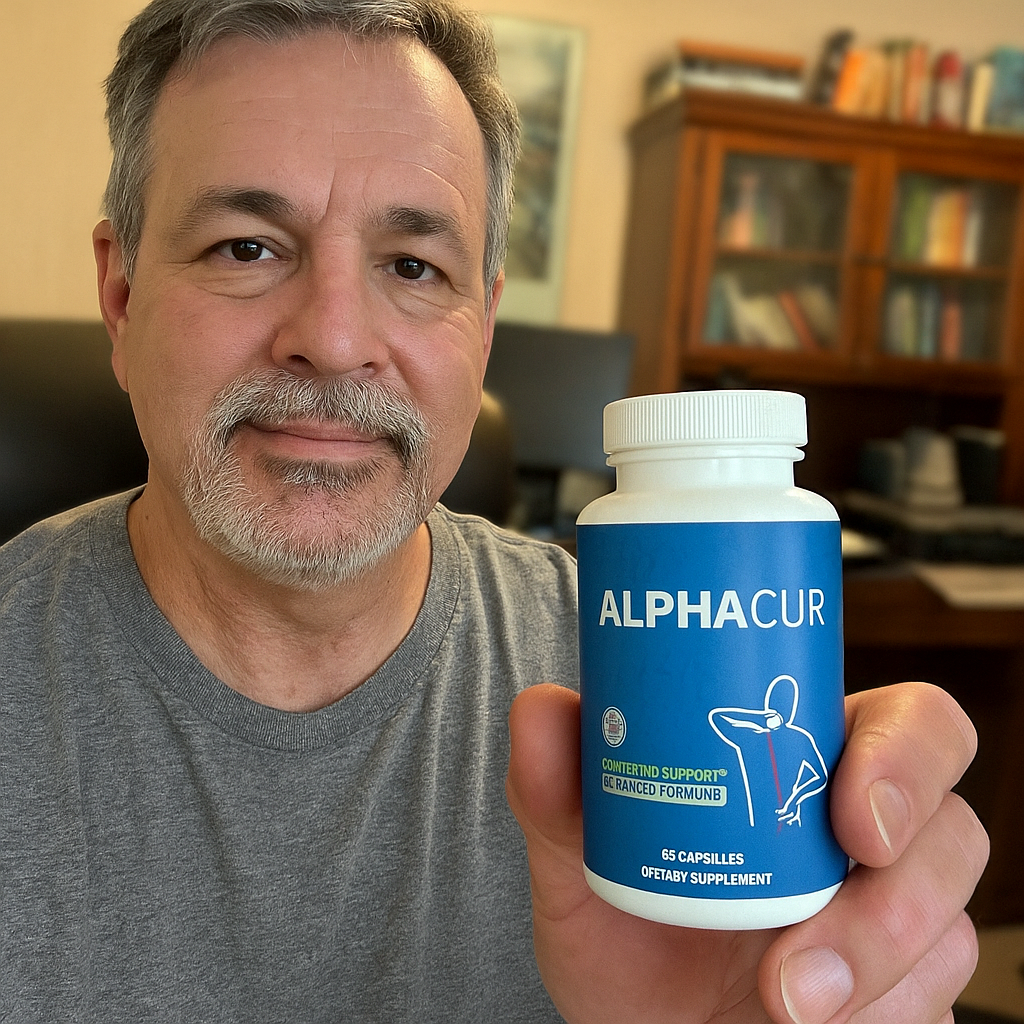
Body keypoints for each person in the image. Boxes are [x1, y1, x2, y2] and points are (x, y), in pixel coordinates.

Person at [0, 0, 988, 1021]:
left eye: (413, 266)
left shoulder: (653, 670)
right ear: (121, 296)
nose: (334, 340)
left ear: (481, 332)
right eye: (245, 247)